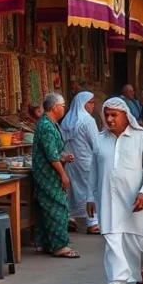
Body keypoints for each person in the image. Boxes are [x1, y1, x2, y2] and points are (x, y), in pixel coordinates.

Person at [88, 98, 143, 284]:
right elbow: (93, 171)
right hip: (108, 202)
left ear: (126, 116)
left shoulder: (141, 137)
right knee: (113, 244)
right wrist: (90, 197)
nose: (109, 119)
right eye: (106, 115)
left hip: (137, 203)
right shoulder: (100, 139)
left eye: (114, 115)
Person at [31, 92, 79, 258]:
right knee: (57, 206)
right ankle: (59, 245)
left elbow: (54, 152)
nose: (64, 108)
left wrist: (64, 156)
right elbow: (51, 155)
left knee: (46, 207)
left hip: (47, 172)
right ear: (54, 107)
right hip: (47, 174)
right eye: (63, 105)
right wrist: (63, 175)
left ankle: (44, 243)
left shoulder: (50, 124)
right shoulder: (46, 126)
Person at [61, 91, 100, 235]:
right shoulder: (88, 120)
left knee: (73, 189)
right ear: (83, 104)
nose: (93, 106)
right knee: (90, 189)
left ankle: (70, 218)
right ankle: (93, 222)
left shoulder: (66, 120)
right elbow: (96, 143)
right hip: (86, 161)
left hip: (70, 162)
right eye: (91, 102)